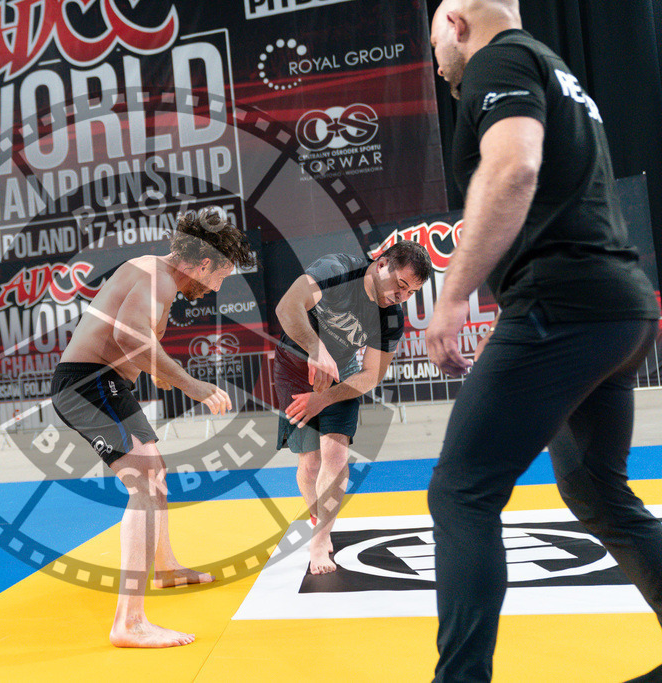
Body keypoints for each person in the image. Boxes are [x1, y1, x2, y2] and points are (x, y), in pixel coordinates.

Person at [426, 1, 662, 681]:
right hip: (619, 310)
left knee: (461, 491)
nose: (436, 57)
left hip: (560, 309)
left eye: (434, 38)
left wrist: (449, 298)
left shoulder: (496, 61)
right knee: (597, 489)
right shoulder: (558, 72)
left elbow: (513, 169)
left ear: (457, 25)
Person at [51, 206, 255, 648]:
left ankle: (165, 569)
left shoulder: (153, 275)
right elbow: (129, 339)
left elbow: (134, 344)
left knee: (154, 475)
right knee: (144, 482)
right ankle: (130, 622)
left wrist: (163, 374)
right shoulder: (155, 277)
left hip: (105, 383)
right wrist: (192, 384)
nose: (219, 286)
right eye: (221, 276)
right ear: (204, 263)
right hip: (88, 384)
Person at [274, 240, 431, 573]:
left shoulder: (390, 318)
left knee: (336, 454)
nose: (401, 296)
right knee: (310, 464)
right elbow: (287, 308)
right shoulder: (337, 271)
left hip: (341, 373)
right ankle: (319, 515)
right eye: (401, 285)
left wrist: (325, 398)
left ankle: (320, 540)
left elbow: (371, 375)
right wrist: (316, 350)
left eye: (410, 293)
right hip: (294, 365)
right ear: (382, 263)